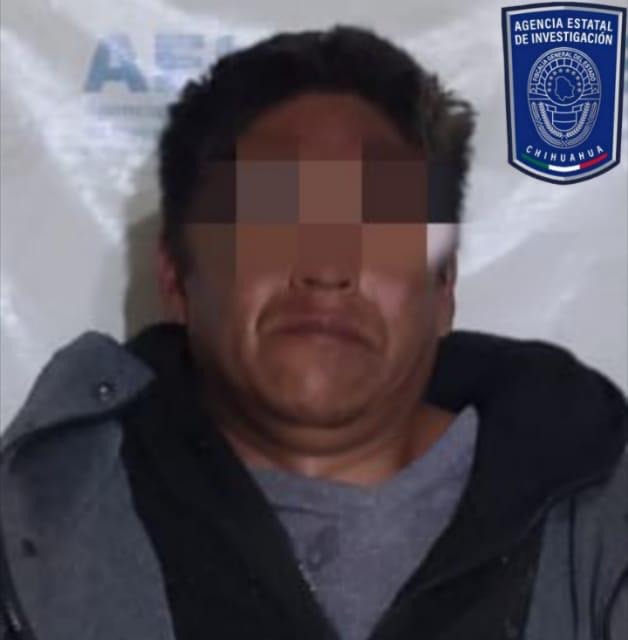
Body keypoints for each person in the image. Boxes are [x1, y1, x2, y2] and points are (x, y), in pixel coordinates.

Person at [0, 25, 626, 640]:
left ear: (443, 289)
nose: (327, 270)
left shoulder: (599, 519)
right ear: (176, 274)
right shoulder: (32, 523)